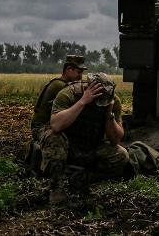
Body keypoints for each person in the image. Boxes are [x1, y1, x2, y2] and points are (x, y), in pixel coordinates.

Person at [42, 72, 129, 204]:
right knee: (53, 137)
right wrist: (82, 102)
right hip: (68, 146)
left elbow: (115, 139)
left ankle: (81, 177)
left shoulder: (113, 101)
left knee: (121, 155)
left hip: (91, 146)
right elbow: (56, 125)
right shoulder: (69, 94)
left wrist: (109, 114)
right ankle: (56, 186)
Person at [30, 54, 87, 135]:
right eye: (79, 72)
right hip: (41, 127)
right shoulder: (61, 86)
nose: (81, 76)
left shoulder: (59, 82)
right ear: (69, 69)